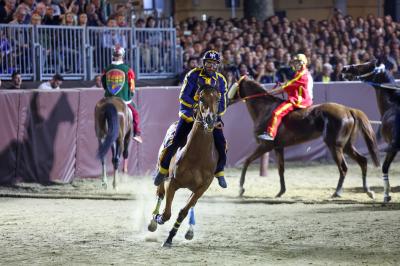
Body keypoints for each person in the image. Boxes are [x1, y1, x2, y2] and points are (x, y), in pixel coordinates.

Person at [153, 50, 228, 188]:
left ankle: (219, 171)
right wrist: (196, 107)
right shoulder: (193, 75)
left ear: (217, 66)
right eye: (208, 63)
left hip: (212, 117)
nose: (211, 66)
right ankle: (162, 170)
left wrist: (215, 115)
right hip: (189, 115)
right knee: (175, 141)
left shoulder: (221, 80)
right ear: (204, 63)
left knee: (222, 144)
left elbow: (223, 102)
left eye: (214, 64)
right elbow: (183, 96)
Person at [258, 54, 314, 141]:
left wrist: (269, 92)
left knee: (276, 113)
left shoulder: (302, 74)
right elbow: (290, 84)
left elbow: (287, 87)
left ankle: (270, 134)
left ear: (303, 63)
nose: (295, 65)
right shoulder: (301, 73)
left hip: (299, 101)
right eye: (294, 63)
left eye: (297, 63)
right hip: (301, 98)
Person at [101, 45, 142, 143]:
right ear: (122, 56)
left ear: (113, 55)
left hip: (109, 98)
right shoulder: (128, 70)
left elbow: (104, 83)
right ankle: (136, 133)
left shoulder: (106, 69)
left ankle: (102, 132)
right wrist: (131, 94)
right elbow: (131, 86)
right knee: (135, 114)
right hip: (123, 99)